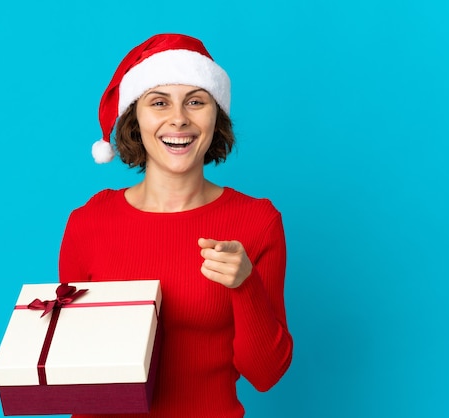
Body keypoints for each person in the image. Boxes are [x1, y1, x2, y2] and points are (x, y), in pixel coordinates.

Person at [59, 33, 293, 418]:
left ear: (216, 114)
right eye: (159, 102)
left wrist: (245, 284)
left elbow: (265, 374)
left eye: (196, 101)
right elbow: (77, 369)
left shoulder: (257, 222)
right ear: (136, 116)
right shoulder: (88, 223)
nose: (179, 118)